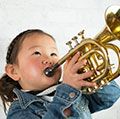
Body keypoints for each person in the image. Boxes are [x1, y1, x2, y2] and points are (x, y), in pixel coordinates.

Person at [0, 29, 120, 119]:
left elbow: (109, 97)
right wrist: (68, 92)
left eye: (53, 54)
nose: (48, 59)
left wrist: (92, 74)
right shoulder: (19, 111)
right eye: (37, 53)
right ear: (13, 71)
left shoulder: (76, 91)